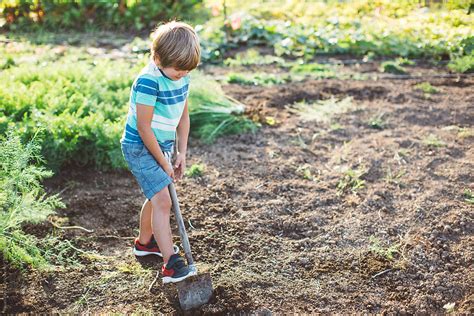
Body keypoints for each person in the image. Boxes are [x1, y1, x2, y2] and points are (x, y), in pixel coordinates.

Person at [120, 20, 200, 284]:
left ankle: (145, 243)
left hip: (162, 144)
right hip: (140, 145)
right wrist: (162, 164)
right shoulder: (148, 82)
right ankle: (170, 265)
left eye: (187, 69)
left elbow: (183, 117)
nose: (182, 73)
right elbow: (144, 128)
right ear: (157, 58)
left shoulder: (182, 77)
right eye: (178, 68)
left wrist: (181, 153)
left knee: (158, 195)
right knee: (163, 200)